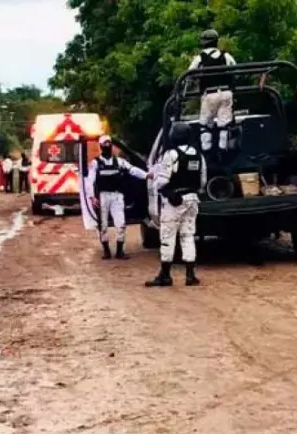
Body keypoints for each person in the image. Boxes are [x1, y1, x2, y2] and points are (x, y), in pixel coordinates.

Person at [146, 122, 206, 287]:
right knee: (188, 236)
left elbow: (163, 180)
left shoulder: (171, 154)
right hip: (192, 200)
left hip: (174, 201)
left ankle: (165, 275)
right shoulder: (198, 155)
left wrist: (156, 184)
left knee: (167, 236)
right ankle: (190, 276)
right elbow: (202, 181)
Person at [87, 135, 152, 260]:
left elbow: (132, 170)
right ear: (101, 146)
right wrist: (91, 197)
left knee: (121, 223)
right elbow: (90, 180)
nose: (107, 146)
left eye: (109, 144)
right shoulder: (96, 163)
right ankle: (106, 251)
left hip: (117, 196)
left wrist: (146, 175)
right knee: (103, 224)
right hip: (103, 196)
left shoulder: (119, 161)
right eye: (104, 144)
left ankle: (120, 251)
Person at [188, 29, 237, 152]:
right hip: (226, 93)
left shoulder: (199, 58)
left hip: (209, 94)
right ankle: (223, 150)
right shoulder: (225, 55)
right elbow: (235, 69)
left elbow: (189, 74)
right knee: (224, 124)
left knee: (205, 124)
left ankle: (207, 151)